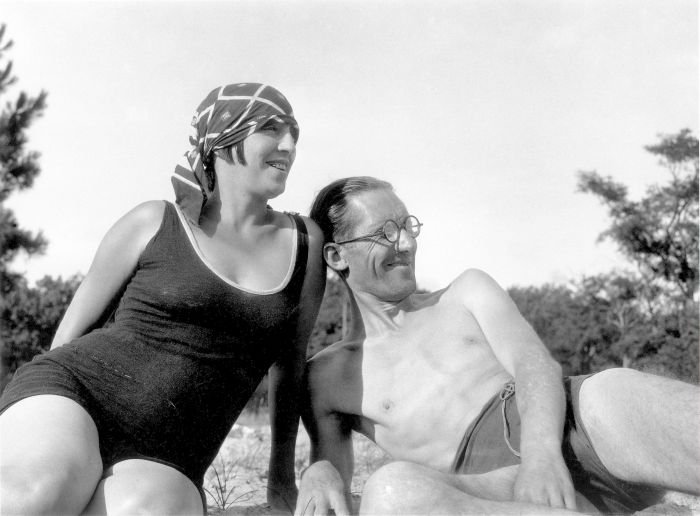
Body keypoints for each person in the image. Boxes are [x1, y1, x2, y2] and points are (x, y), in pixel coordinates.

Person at [0, 83, 326, 515]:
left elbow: (290, 367)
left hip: (170, 455)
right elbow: (68, 336)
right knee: (39, 493)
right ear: (222, 138)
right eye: (270, 128)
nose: (289, 144)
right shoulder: (154, 221)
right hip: (75, 397)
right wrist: (37, 428)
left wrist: (281, 481)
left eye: (294, 133)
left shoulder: (305, 244)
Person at [295, 176, 700, 515]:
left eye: (408, 226)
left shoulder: (466, 292)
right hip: (494, 490)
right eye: (385, 232)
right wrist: (319, 472)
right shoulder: (328, 376)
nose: (406, 243)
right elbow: (332, 472)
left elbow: (533, 364)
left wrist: (542, 456)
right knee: (391, 497)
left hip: (576, 423)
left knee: (614, 391)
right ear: (335, 255)